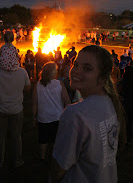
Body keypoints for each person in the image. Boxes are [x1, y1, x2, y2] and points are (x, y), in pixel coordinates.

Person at [51, 45, 126, 183]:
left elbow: (59, 168)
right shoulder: (109, 102)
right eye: (76, 64)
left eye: (87, 68)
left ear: (102, 79)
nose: (76, 71)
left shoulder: (75, 113)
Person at [32, 61, 71, 161]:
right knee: (55, 139)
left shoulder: (38, 85)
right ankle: (55, 157)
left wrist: (34, 117)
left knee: (43, 139)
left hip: (43, 117)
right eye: (56, 70)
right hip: (58, 116)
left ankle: (42, 156)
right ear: (53, 72)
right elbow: (67, 101)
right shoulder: (59, 84)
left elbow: (34, 103)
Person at [0, 49, 31, 169]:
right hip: (16, 110)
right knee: (16, 136)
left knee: (1, 137)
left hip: (1, 109)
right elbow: (28, 88)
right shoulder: (22, 72)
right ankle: (17, 160)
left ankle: (1, 162)